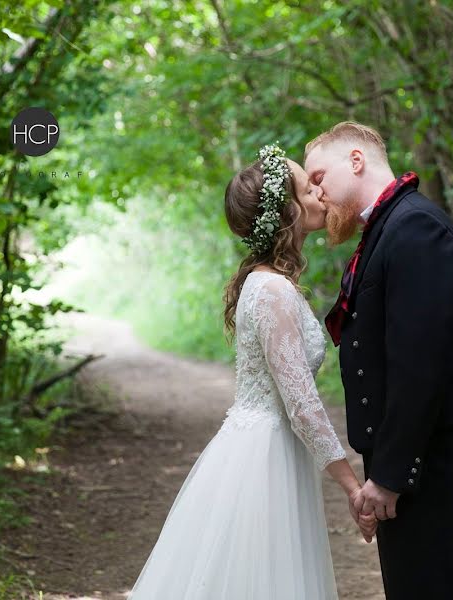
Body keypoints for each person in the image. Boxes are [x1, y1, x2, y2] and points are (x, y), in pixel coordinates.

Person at [126, 143, 377, 600]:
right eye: (307, 187)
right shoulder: (273, 291)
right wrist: (351, 485)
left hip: (267, 446)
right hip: (264, 456)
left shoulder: (268, 284)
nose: (320, 192)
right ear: (287, 212)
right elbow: (299, 402)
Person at [303, 121, 453, 599]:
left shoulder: (414, 227)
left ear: (356, 160)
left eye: (317, 176)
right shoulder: (389, 227)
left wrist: (391, 476)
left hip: (437, 467)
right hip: (421, 463)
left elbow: (421, 366)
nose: (316, 192)